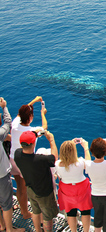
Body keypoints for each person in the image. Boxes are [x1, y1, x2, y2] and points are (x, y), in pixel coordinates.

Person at [10, 96, 47, 219]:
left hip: (12, 158)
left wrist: (33, 102)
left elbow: (21, 113)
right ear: (30, 118)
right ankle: (25, 213)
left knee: (19, 186)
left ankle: (23, 210)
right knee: (24, 189)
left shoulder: (14, 124)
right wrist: (43, 113)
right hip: (24, 163)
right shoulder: (31, 132)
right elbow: (44, 128)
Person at [14, 130, 58, 232]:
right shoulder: (40, 160)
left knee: (35, 212)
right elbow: (54, 157)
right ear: (33, 144)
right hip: (44, 193)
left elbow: (22, 148)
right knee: (47, 217)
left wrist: (33, 136)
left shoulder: (17, 155)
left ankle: (38, 230)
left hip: (30, 189)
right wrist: (51, 140)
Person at [55, 139, 93, 232]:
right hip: (82, 190)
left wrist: (69, 144)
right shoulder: (80, 162)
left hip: (67, 191)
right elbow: (89, 164)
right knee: (86, 212)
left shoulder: (57, 164)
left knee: (70, 213)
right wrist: (86, 148)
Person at [0, 98, 25, 232]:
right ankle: (9, 229)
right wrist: (4, 107)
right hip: (2, 175)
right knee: (6, 202)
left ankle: (2, 225)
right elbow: (8, 123)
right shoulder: (0, 134)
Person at [85, 137, 106, 232]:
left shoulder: (88, 165)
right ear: (105, 152)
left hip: (95, 196)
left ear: (92, 152)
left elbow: (87, 160)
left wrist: (86, 148)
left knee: (98, 219)